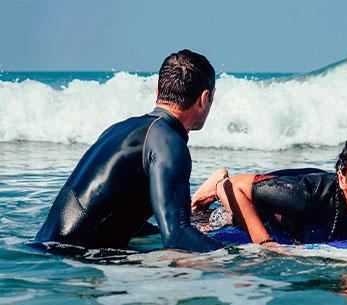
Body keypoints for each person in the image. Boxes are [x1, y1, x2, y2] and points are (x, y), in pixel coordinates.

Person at [35, 49, 223, 252]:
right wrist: (238, 257)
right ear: (205, 98)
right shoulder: (169, 143)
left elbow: (115, 214)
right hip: (73, 261)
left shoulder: (120, 129)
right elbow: (177, 238)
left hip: (45, 251)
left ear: (158, 91)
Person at [192, 133, 347, 245]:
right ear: (343, 179)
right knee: (210, 220)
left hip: (310, 183)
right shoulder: (307, 197)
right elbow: (233, 188)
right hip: (280, 198)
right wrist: (265, 243)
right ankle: (213, 181)